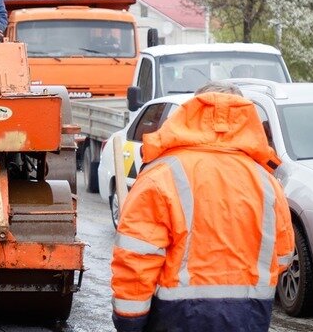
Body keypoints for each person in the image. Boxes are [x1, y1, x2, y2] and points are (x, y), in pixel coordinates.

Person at [110, 80, 294, 332]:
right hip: (248, 317)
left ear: (191, 112)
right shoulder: (267, 182)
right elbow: (283, 254)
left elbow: (136, 259)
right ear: (245, 118)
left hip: (176, 317)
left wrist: (129, 322)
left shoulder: (161, 175)